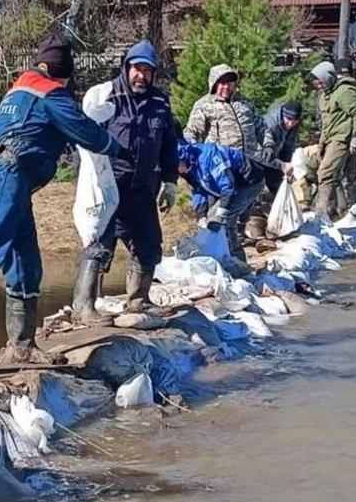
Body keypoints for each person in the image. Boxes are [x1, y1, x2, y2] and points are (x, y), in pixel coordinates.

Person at [0, 33, 118, 365]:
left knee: (26, 263)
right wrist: (117, 147)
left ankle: (23, 345)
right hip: (6, 176)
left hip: (10, 176)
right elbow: (86, 131)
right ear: (62, 71)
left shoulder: (20, 89)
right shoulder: (49, 93)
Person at [72, 40, 181, 325]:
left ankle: (139, 300)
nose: (141, 76)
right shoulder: (107, 97)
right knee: (99, 243)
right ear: (126, 68)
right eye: (136, 69)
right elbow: (84, 138)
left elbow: (170, 145)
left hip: (144, 189)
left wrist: (170, 182)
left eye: (147, 70)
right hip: (109, 187)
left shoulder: (159, 102)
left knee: (149, 245)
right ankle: (83, 305)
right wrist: (85, 182)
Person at [182, 64, 265, 218]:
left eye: (230, 83)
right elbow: (191, 131)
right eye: (222, 83)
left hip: (247, 166)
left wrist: (268, 146)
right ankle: (215, 238)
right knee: (218, 212)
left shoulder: (245, 103)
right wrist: (192, 155)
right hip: (221, 168)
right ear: (214, 84)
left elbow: (261, 127)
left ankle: (239, 236)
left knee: (245, 211)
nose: (226, 87)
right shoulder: (204, 105)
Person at [176, 142, 266, 264]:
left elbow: (228, 187)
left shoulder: (208, 157)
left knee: (225, 223)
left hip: (248, 182)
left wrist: (221, 214)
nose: (176, 171)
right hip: (230, 188)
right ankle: (221, 258)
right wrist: (201, 215)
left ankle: (238, 264)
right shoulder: (188, 168)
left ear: (183, 158)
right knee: (209, 222)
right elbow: (198, 190)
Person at [308, 60, 356, 220]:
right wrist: (321, 145)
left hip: (341, 139)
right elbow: (326, 122)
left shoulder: (344, 92)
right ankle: (342, 210)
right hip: (329, 139)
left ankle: (321, 214)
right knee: (328, 174)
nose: (319, 86)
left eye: (321, 82)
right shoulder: (327, 96)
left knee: (326, 173)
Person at [256, 101, 302, 224]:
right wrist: (281, 165)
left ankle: (274, 217)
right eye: (288, 119)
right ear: (283, 115)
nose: (291, 123)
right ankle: (256, 218)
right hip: (259, 159)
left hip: (276, 158)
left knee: (277, 183)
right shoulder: (270, 125)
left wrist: (287, 166)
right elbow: (262, 155)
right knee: (260, 189)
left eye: (295, 121)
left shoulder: (293, 125)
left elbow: (288, 146)